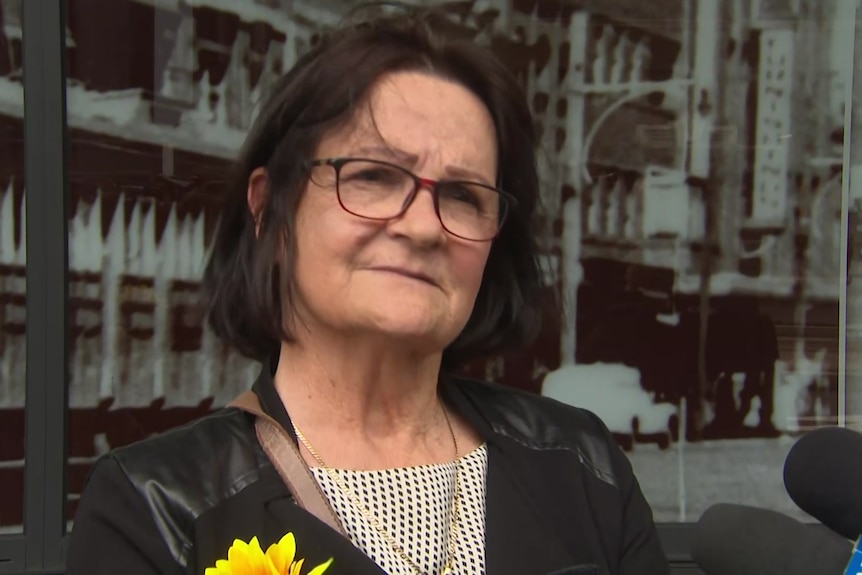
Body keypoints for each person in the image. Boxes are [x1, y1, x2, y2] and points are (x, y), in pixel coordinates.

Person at [67, 6, 669, 575]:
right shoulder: (155, 508)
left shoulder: (582, 470)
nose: (423, 226)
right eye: (375, 177)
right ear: (269, 211)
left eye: (463, 195)